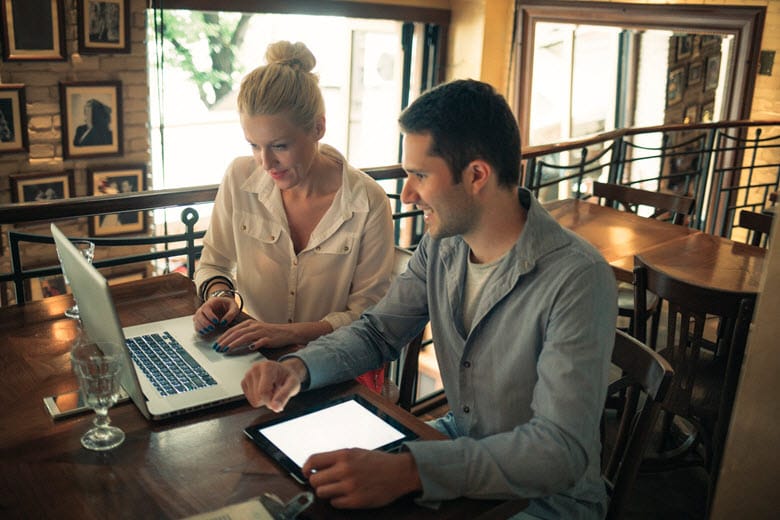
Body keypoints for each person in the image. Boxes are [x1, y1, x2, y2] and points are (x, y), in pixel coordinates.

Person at [240, 79, 618, 518]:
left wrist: (408, 471)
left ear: (477, 175)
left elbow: (557, 452)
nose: (407, 194)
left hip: (548, 502)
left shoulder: (578, 277)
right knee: (313, 486)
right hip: (456, 444)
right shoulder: (445, 244)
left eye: (420, 175)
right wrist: (297, 368)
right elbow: (379, 332)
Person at [193, 41, 395, 393]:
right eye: (254, 146)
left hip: (332, 371)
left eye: (280, 146)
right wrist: (219, 294)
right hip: (244, 359)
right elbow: (213, 263)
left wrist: (286, 334)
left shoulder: (368, 202)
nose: (265, 163)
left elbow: (367, 316)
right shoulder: (239, 178)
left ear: (318, 128)